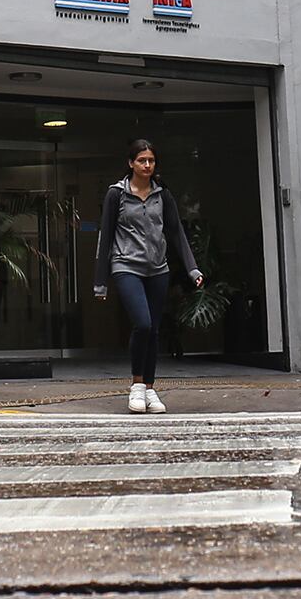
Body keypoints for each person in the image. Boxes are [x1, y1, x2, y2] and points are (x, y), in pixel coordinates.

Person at [93, 138, 203, 415]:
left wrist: (192, 269)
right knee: (142, 323)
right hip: (126, 265)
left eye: (151, 160)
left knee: (153, 329)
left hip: (158, 269)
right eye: (142, 160)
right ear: (131, 163)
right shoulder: (116, 194)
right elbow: (105, 237)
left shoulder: (162, 194)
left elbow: (176, 231)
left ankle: (151, 389)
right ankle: (137, 385)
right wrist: (100, 281)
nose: (147, 165)